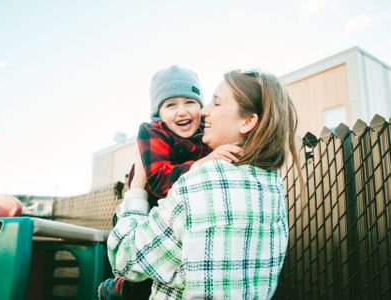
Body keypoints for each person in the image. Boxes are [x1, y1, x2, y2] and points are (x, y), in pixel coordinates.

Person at [107, 69, 304, 299]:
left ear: (248, 121)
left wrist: (137, 188)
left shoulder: (201, 183)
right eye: (170, 105)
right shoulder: (271, 185)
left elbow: (123, 257)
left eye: (216, 103)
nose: (204, 111)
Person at [99, 65, 243, 299]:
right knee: (144, 267)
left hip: (178, 215)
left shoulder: (206, 135)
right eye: (171, 105)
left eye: (189, 102)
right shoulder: (152, 133)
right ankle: (119, 287)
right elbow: (159, 181)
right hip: (146, 210)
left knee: (169, 267)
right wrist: (202, 163)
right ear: (158, 113)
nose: (182, 111)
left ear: (201, 107)